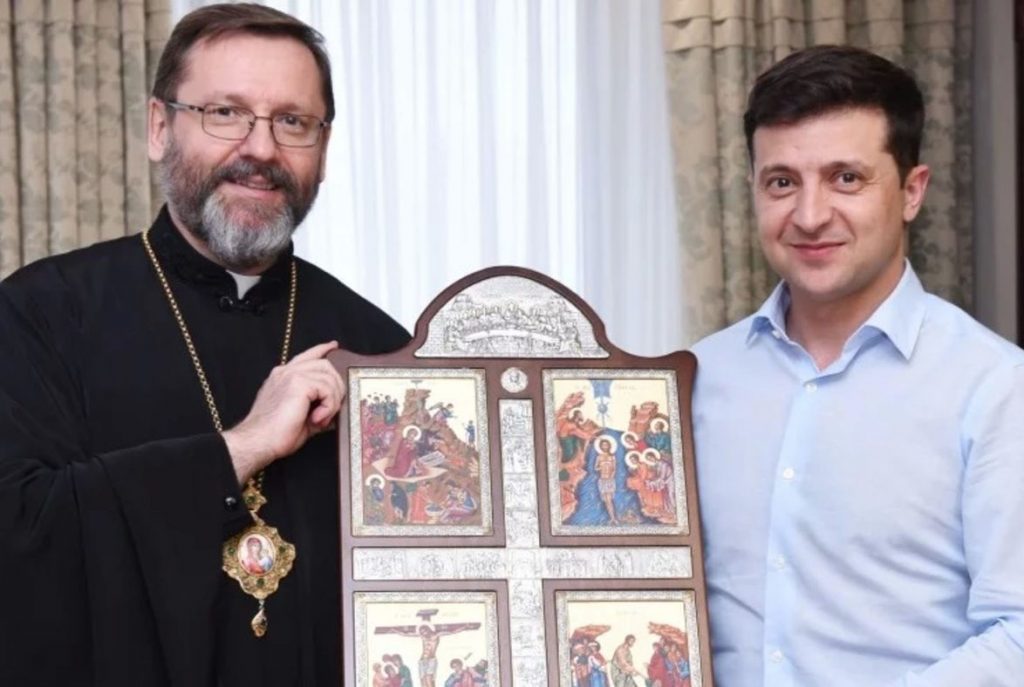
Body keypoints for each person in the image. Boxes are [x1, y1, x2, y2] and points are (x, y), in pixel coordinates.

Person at [0, 4, 410, 686]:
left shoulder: (379, 349)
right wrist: (240, 448)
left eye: (292, 121)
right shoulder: (41, 314)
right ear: (159, 128)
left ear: (324, 150)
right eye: (225, 112)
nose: (261, 150)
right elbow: (19, 534)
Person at [692, 45, 1024, 685]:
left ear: (911, 192)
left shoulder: (996, 389)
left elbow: (1019, 632)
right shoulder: (696, 380)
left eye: (846, 178)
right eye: (782, 182)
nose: (810, 215)